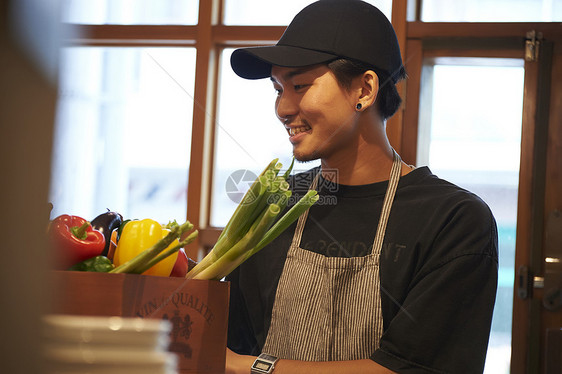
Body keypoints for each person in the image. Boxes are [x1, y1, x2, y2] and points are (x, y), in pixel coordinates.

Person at [225, 1, 498, 373]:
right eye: (277, 89)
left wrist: (252, 367)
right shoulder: (277, 202)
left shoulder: (453, 219)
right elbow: (224, 337)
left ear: (365, 90)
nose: (283, 108)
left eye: (300, 85)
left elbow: (410, 368)